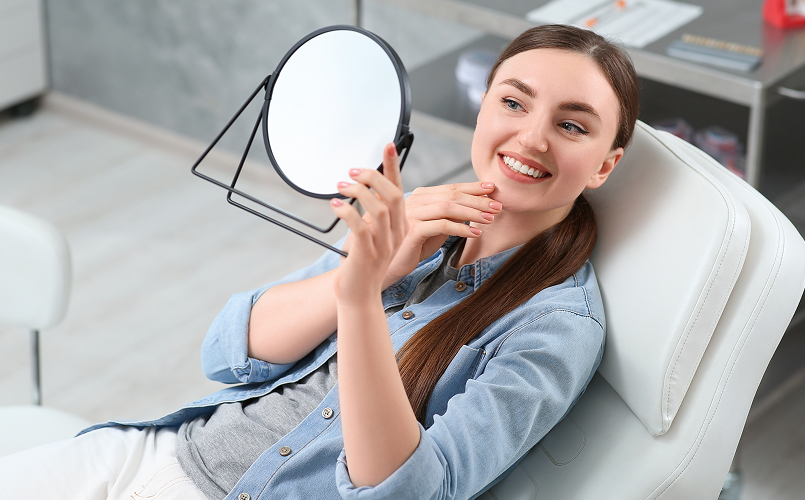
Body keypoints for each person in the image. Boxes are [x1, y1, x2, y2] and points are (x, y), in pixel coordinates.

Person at [0, 24, 639, 500]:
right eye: (514, 102)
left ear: (606, 163)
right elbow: (228, 349)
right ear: (484, 107)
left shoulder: (552, 329)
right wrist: (370, 272)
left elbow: (411, 491)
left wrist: (362, 300)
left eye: (573, 126)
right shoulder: (414, 215)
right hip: (158, 449)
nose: (530, 137)